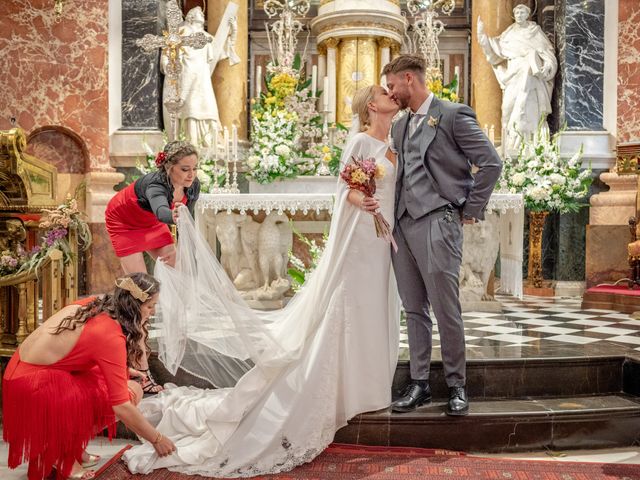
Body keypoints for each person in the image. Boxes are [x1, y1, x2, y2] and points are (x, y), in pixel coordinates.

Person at [122, 85, 401, 476]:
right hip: (360, 237)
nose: (391, 95)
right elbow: (346, 190)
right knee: (352, 303)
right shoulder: (359, 139)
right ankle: (347, 384)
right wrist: (362, 200)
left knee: (375, 303)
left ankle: (370, 381)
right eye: (384, 92)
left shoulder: (398, 137)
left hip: (381, 238)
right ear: (372, 106)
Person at [382, 54, 502, 416]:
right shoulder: (401, 126)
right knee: (413, 309)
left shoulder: (452, 115)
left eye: (392, 86)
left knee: (446, 309)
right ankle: (419, 384)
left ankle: (456, 385)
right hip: (403, 227)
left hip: (438, 221)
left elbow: (491, 163)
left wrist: (469, 208)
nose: (391, 93)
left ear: (408, 79)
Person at [2, 273, 176, 480]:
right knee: (132, 392)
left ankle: (72, 449)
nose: (153, 312)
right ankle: (60, 454)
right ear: (133, 306)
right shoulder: (110, 334)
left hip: (19, 370)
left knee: (119, 383)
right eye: (150, 306)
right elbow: (120, 405)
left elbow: (77, 348)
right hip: (34, 383)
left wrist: (124, 369)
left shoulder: (95, 305)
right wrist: (157, 439)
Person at [105, 140, 200, 392]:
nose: (191, 175)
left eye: (194, 168)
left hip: (150, 224)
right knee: (139, 293)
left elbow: (188, 216)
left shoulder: (192, 186)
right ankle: (140, 371)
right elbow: (161, 211)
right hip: (123, 222)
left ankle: (170, 314)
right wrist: (175, 216)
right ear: (169, 167)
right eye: (185, 169)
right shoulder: (156, 185)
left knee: (175, 260)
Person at [477, 3, 557, 152]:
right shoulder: (509, 33)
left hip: (531, 76)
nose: (519, 15)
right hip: (513, 74)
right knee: (507, 108)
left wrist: (547, 64)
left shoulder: (535, 31)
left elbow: (548, 53)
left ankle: (530, 145)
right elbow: (495, 53)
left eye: (522, 12)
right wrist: (482, 37)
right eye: (517, 13)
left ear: (528, 14)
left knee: (527, 107)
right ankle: (510, 143)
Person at [162, 6, 239, 145]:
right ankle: (189, 141)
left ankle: (206, 140)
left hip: (201, 78)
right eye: (198, 13)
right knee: (189, 107)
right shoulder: (181, 33)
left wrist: (233, 31)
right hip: (185, 76)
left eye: (202, 14)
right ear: (190, 17)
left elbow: (223, 51)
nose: (202, 14)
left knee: (206, 105)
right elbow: (168, 54)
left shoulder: (206, 37)